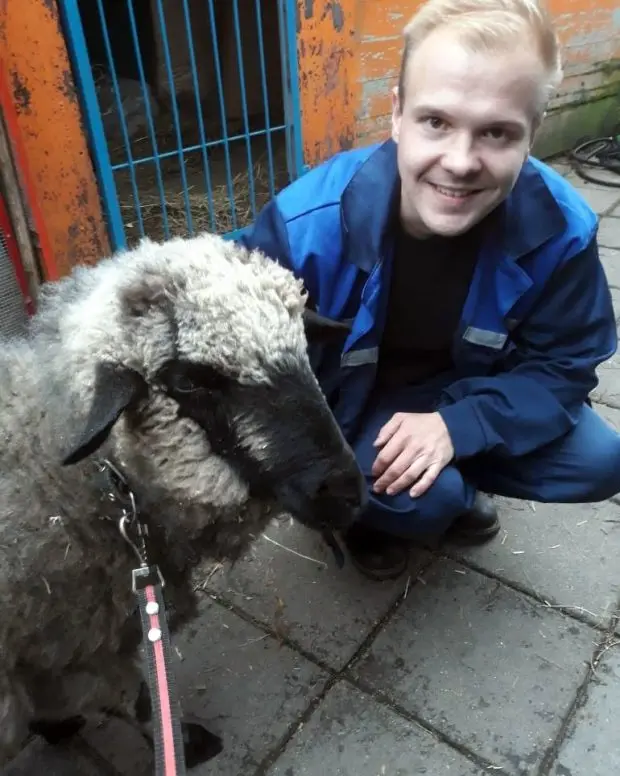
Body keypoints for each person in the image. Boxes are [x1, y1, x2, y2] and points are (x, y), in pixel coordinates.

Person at [237, 0, 620, 581]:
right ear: (397, 115)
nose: (461, 162)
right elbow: (243, 357)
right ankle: (368, 515)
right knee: (425, 502)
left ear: (533, 132)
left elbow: (566, 365)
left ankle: (449, 479)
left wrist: (458, 427)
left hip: (466, 386)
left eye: (496, 132)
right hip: (352, 405)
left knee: (599, 461)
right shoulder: (305, 228)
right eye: (436, 122)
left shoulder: (560, 231)